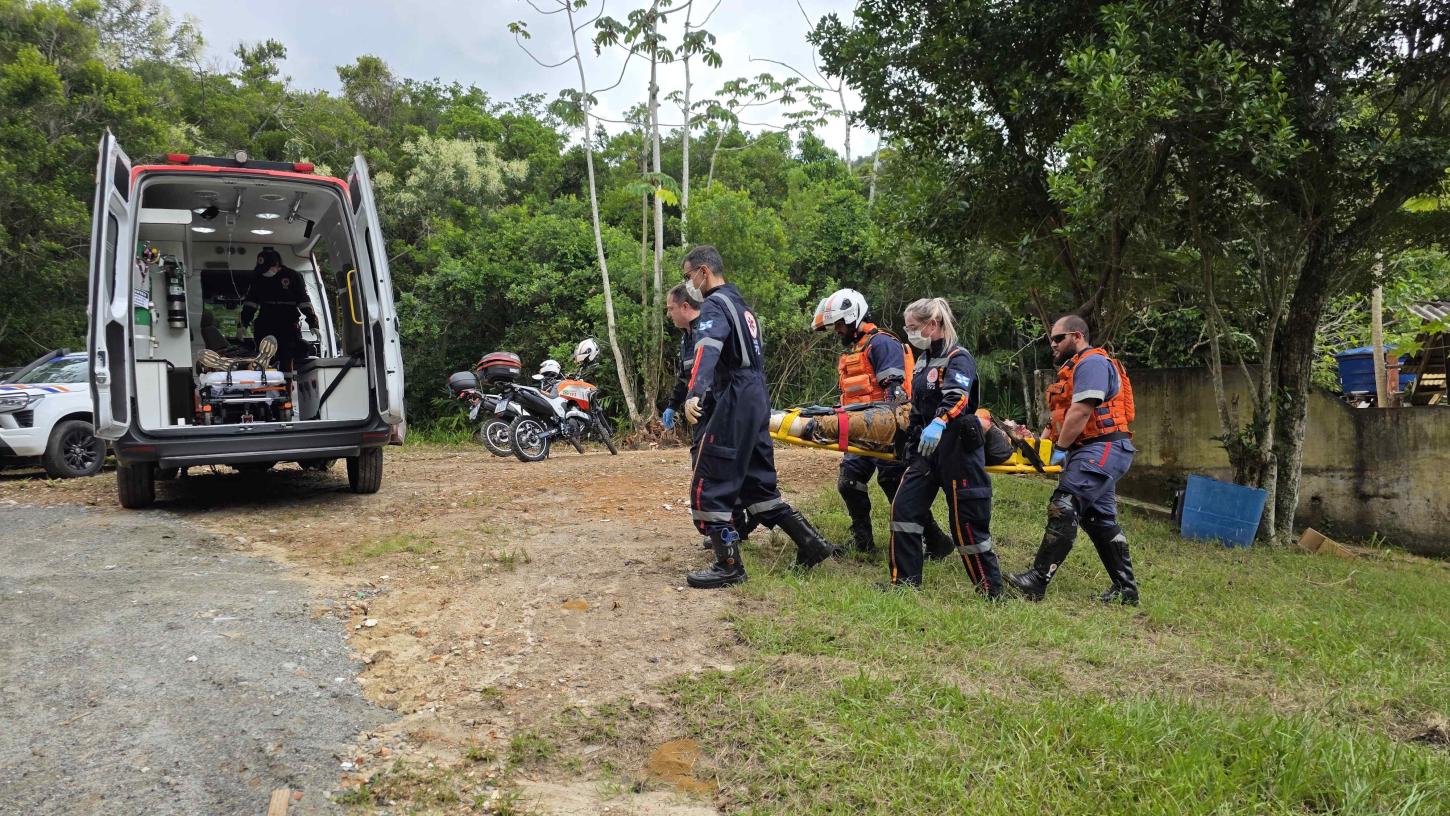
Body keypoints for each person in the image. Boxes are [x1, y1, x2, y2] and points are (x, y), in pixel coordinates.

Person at [680, 245, 835, 589]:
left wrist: (694, 392)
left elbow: (707, 348)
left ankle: (729, 565)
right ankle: (811, 544)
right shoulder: (742, 305)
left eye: (687, 275)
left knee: (710, 482)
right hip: (756, 396)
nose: (687, 283)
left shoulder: (715, 306)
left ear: (703, 272)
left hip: (734, 395)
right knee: (758, 485)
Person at [1006, 315, 1140, 604]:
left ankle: (1037, 580)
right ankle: (1126, 590)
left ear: (1077, 336)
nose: (1052, 344)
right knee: (1098, 519)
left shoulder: (1091, 362)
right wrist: (1038, 449)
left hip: (1102, 448)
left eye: (1057, 338)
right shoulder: (1073, 368)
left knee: (1063, 505)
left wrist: (1062, 449)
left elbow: (1081, 412)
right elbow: (1060, 420)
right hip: (1092, 450)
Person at [810, 289, 954, 559]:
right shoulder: (855, 350)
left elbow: (895, 392)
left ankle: (935, 540)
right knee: (849, 481)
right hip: (859, 429)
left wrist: (895, 429)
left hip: (886, 428)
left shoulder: (881, 343)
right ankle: (862, 540)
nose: (837, 331)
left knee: (893, 484)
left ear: (854, 317)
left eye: (840, 324)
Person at [885, 297, 1002, 595]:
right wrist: (912, 435)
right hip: (926, 452)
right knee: (904, 510)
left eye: (913, 327)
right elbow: (917, 405)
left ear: (932, 325)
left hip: (956, 450)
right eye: (907, 327)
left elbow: (958, 397)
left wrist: (939, 421)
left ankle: (990, 589)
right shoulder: (922, 361)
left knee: (967, 523)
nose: (909, 333)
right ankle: (905, 584)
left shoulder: (958, 357)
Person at [240, 247, 318, 372]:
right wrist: (244, 323)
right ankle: (265, 380)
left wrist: (312, 322)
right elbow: (251, 303)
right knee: (265, 354)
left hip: (287, 322)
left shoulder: (292, 276)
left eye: (267, 269)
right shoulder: (258, 277)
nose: (265, 272)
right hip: (266, 322)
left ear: (276, 265)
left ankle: (286, 385)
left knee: (287, 355)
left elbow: (303, 301)